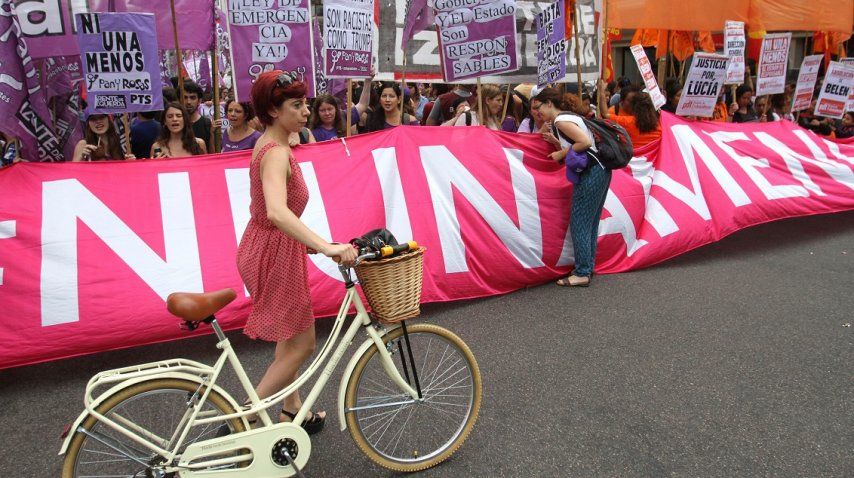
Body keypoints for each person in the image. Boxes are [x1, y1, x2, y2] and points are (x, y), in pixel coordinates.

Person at [237, 70, 357, 433]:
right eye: (297, 105)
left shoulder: (273, 143)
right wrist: (325, 246)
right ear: (273, 111)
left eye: (305, 103)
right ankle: (248, 416)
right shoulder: (275, 152)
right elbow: (275, 211)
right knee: (303, 344)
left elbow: (271, 213)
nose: (306, 111)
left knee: (289, 338)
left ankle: (292, 410)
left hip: (270, 248)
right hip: (272, 255)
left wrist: (313, 243)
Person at [533, 87, 609, 287]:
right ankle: (587, 266)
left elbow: (583, 142)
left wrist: (560, 153)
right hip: (601, 170)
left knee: (580, 222)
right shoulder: (568, 117)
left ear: (549, 103)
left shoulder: (560, 120)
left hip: (591, 172)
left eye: (538, 107)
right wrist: (558, 144)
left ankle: (582, 272)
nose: (536, 112)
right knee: (590, 222)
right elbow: (581, 142)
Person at [453, 84, 517, 131]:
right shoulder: (466, 117)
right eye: (498, 100)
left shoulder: (496, 121)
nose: (501, 104)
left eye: (502, 101)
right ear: (487, 100)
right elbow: (456, 143)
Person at [183, 81, 213, 153]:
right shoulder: (174, 124)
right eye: (185, 97)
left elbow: (213, 154)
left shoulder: (207, 124)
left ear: (199, 101)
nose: (188, 102)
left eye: (192, 98)